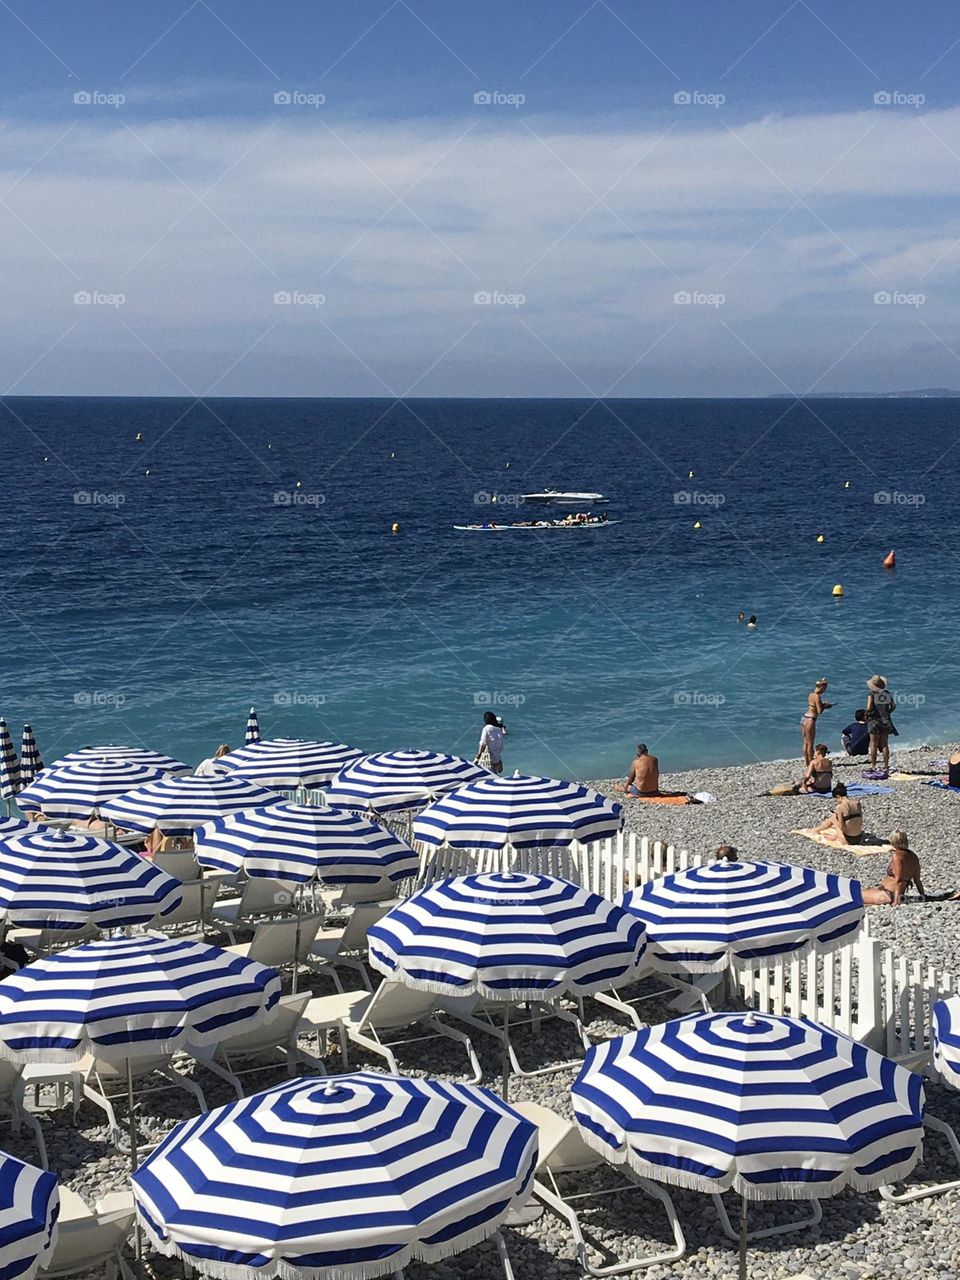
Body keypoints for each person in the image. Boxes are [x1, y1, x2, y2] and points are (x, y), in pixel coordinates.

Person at [862, 831, 924, 905]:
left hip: (887, 894)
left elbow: (899, 880)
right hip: (889, 893)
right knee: (864, 891)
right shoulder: (914, 856)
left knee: (856, 896)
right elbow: (917, 880)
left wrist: (896, 901)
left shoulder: (897, 856)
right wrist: (923, 895)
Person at [865, 676, 897, 776]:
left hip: (874, 720)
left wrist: (866, 714)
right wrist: (887, 712)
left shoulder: (871, 695)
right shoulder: (887, 694)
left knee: (873, 743)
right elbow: (893, 705)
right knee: (884, 744)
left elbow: (869, 707)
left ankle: (874, 765)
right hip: (885, 720)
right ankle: (886, 765)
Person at [800, 678, 832, 766]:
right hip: (810, 720)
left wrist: (822, 704)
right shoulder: (818, 696)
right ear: (821, 687)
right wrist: (826, 706)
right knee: (810, 743)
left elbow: (813, 706)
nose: (824, 691)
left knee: (805, 742)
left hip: (804, 718)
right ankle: (811, 763)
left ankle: (806, 761)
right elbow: (819, 711)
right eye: (825, 689)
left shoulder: (811, 694)